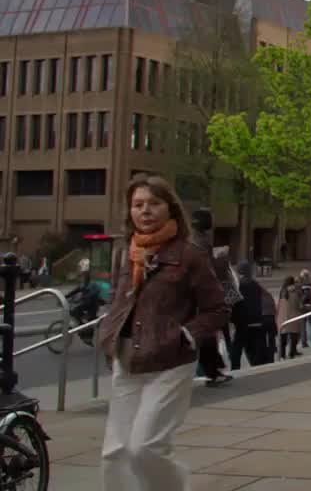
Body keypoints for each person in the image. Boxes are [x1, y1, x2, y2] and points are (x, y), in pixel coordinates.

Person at [97, 175, 229, 491]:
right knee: (115, 452)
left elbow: (218, 309)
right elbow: (118, 295)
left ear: (170, 208)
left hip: (170, 360)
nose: (145, 211)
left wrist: (186, 333)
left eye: (154, 203)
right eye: (138, 204)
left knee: (146, 447)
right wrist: (108, 331)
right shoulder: (123, 252)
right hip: (127, 357)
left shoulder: (189, 254)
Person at [190, 208, 233, 387]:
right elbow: (207, 270)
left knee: (206, 334)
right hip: (199, 295)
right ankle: (213, 371)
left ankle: (213, 370)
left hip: (198, 294)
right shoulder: (200, 242)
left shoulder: (194, 238)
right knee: (205, 333)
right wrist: (221, 259)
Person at [230, 261, 269, 369]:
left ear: (239, 272)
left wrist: (233, 319)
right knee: (254, 348)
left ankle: (235, 369)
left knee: (236, 348)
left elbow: (234, 303)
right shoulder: (256, 285)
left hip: (243, 322)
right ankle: (256, 367)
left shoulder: (239, 285)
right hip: (257, 321)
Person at [276, 276, 303, 359]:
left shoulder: (282, 292)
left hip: (283, 317)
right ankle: (292, 353)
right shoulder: (295, 292)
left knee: (283, 338)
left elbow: (279, 305)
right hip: (293, 316)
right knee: (294, 337)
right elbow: (298, 305)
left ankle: (282, 354)